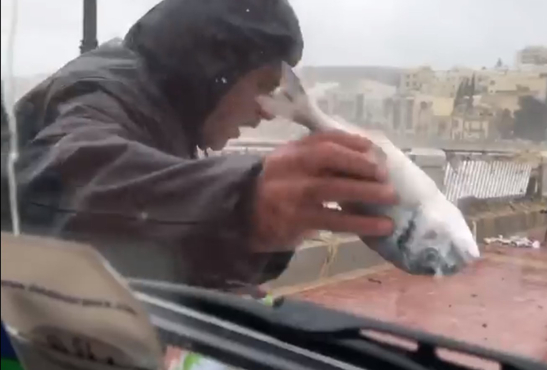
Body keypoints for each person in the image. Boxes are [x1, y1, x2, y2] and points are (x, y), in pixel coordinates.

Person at [11, 0, 397, 290]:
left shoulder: (159, 107)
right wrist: (243, 202)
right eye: (262, 86)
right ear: (216, 71)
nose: (266, 112)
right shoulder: (103, 91)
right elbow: (62, 174)